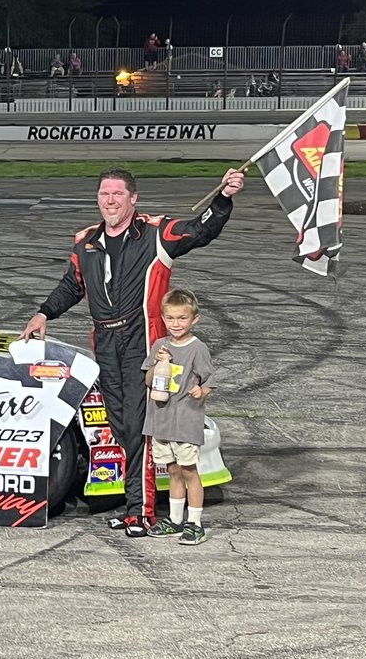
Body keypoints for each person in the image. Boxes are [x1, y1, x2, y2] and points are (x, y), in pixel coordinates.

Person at [19, 165, 246, 537]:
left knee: (141, 428)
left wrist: (223, 197)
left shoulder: (156, 233)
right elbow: (72, 286)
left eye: (118, 194)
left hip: (146, 343)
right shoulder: (85, 242)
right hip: (105, 342)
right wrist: (44, 313)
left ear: (133, 199)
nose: (110, 201)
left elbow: (201, 230)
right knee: (121, 427)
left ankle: (140, 512)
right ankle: (135, 505)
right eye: (104, 194)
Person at [143, 289, 216, 546]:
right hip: (161, 419)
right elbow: (148, 380)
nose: (176, 324)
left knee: (189, 470)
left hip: (185, 419)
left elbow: (209, 381)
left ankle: (194, 523)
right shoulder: (159, 346)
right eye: (171, 318)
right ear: (163, 318)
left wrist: (201, 391)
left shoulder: (198, 349)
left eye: (182, 318)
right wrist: (157, 364)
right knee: (172, 470)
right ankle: (174, 520)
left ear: (194, 319)